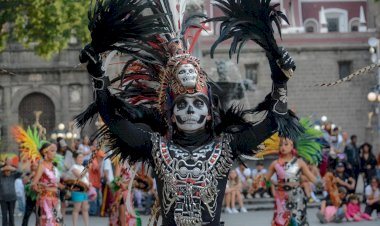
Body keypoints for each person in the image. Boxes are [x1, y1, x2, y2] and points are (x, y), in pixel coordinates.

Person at [77, 1, 302, 225]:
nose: (191, 111)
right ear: (171, 115)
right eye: (182, 105)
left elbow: (274, 121)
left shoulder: (226, 147)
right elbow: (112, 119)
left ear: (210, 113)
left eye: (198, 104)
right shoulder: (156, 147)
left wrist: (279, 80)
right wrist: (99, 77)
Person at [266, 137, 322, 226]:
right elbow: (265, 179)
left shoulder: (299, 162)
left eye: (286, 144)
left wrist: (321, 184)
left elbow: (311, 177)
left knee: (297, 220)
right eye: (280, 145)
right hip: (281, 195)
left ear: (292, 146)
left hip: (297, 195)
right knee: (281, 221)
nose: (282, 147)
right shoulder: (275, 164)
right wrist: (259, 184)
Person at [31, 142, 62, 226]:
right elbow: (33, 184)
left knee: (57, 222)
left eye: (55, 151)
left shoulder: (54, 166)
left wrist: (67, 186)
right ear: (45, 152)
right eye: (52, 151)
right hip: (45, 200)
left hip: (55, 198)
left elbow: (57, 183)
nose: (55, 153)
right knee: (47, 222)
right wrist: (41, 186)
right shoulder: (42, 166)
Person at [66, 152, 90, 226]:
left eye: (82, 157)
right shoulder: (74, 167)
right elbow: (80, 176)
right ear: (75, 158)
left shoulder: (83, 167)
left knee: (85, 209)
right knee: (77, 208)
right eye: (79, 157)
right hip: (77, 190)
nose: (81, 159)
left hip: (85, 190)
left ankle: (87, 224)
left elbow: (86, 178)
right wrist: (87, 169)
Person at [21, 162, 39, 226]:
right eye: (33, 166)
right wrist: (31, 175)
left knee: (39, 216)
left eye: (36, 166)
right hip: (30, 198)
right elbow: (24, 182)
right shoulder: (28, 174)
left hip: (38, 197)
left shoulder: (40, 174)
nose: (34, 167)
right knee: (26, 215)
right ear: (31, 167)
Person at [89, 149, 105, 216]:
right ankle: (93, 212)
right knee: (94, 198)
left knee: (97, 198)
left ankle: (96, 211)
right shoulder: (94, 161)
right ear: (97, 156)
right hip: (93, 183)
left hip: (97, 183)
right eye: (101, 157)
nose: (102, 158)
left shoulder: (96, 161)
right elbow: (95, 168)